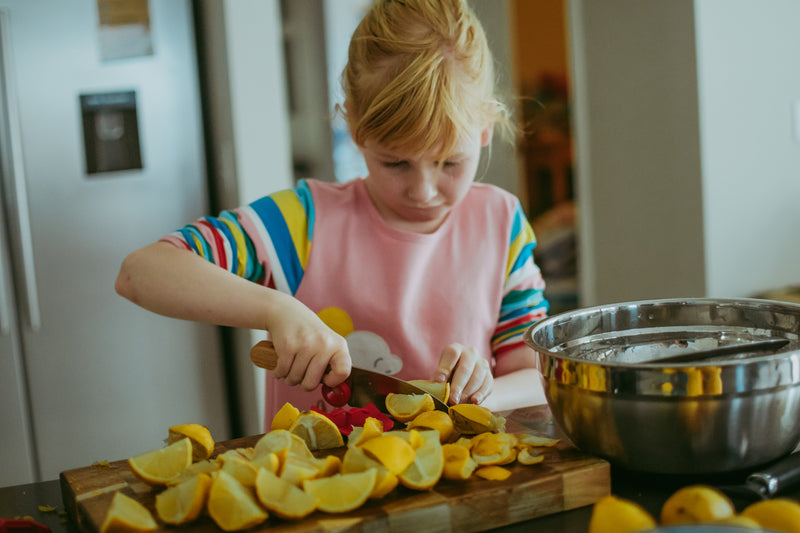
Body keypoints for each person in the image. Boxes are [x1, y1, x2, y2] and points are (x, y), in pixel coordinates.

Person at [115, 0, 549, 427]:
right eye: (395, 163)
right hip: (314, 490)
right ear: (355, 127)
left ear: (486, 125)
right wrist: (277, 311)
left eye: (450, 162)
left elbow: (537, 376)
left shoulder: (500, 222)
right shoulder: (301, 222)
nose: (423, 191)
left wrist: (486, 390)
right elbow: (140, 273)